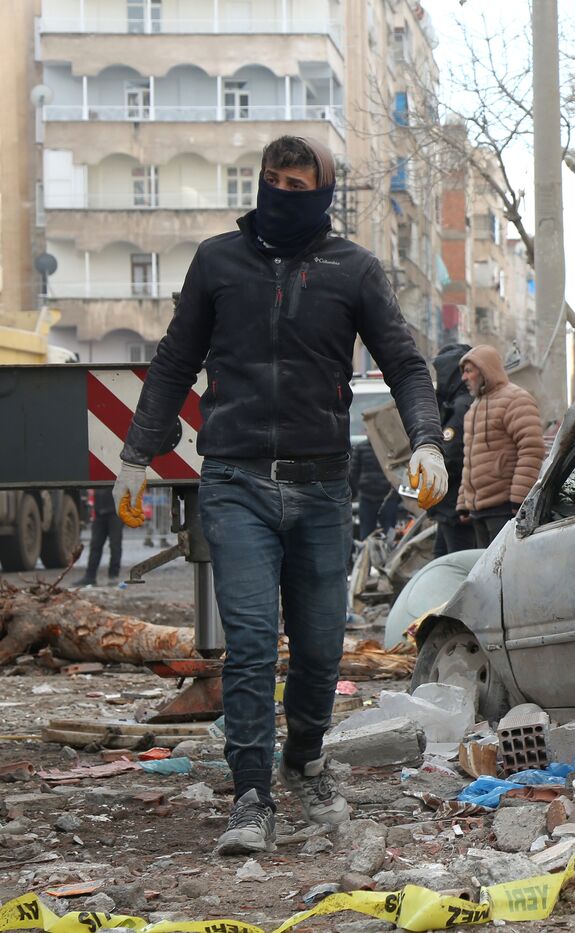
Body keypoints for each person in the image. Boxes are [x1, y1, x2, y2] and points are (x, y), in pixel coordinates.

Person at [112, 135, 448, 857]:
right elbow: (175, 359)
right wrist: (137, 454)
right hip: (234, 480)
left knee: (323, 646)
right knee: (253, 640)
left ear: (322, 194)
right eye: (273, 181)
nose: (282, 195)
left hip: (323, 485)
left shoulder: (353, 269)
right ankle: (251, 793)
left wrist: (426, 440)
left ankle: (304, 755)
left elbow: (406, 364)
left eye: (298, 186)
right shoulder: (217, 262)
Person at [456, 345, 546, 548]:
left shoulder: (516, 399)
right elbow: (469, 459)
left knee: (501, 573)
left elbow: (531, 448)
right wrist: (463, 502)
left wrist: (518, 499)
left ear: (485, 370)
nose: (464, 378)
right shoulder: (474, 408)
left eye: (469, 371)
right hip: (478, 511)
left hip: (504, 508)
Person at [430, 342, 475, 556]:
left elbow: (452, 456)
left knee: (453, 565)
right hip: (451, 506)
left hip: (455, 507)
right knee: (440, 564)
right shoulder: (464, 403)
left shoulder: (460, 407)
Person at [348, 439, 398, 541]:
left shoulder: (390, 447)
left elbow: (353, 473)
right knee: (368, 534)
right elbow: (353, 473)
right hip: (369, 498)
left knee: (388, 535)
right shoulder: (361, 448)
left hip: (386, 497)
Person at [76, 489, 122, 587]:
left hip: (116, 512)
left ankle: (113, 575)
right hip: (99, 511)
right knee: (95, 545)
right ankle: (90, 576)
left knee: (115, 545)